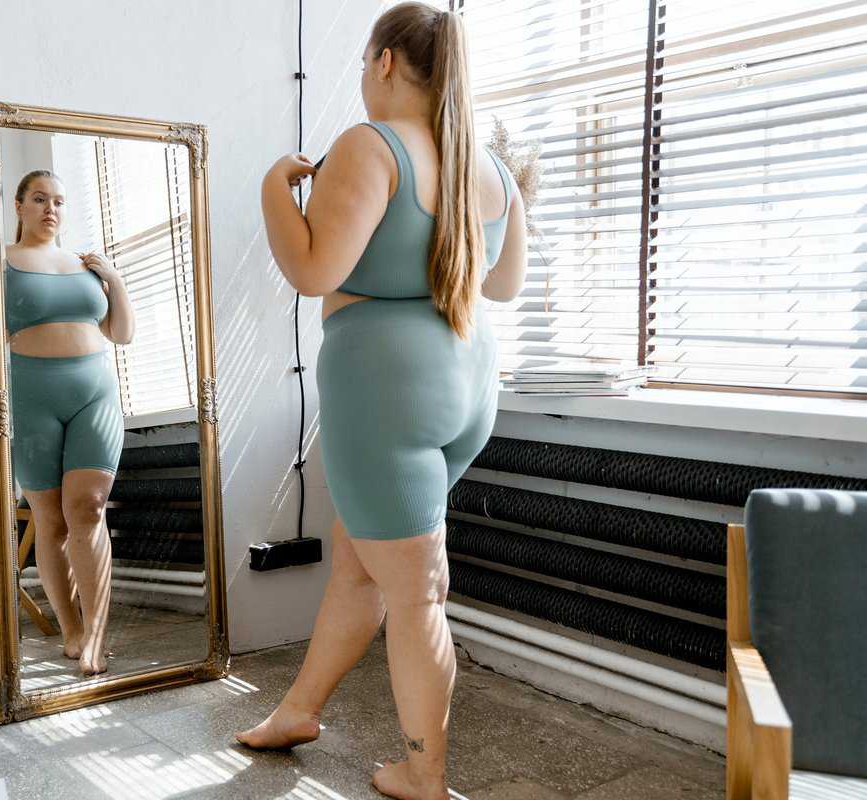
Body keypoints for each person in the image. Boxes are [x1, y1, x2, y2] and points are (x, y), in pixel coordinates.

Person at [237, 4, 527, 798]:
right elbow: (502, 284)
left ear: (388, 62)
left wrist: (274, 190)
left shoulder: (372, 146)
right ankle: (298, 710)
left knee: (415, 591)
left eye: (366, 63)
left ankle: (424, 778)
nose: (363, 78)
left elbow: (313, 270)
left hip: (384, 394)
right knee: (362, 566)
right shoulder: (490, 168)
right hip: (466, 387)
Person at [4, 169, 135, 676]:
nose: (50, 209)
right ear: (19, 206)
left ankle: (97, 634)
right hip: (32, 398)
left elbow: (121, 333)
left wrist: (115, 279)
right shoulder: (1, 263)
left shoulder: (86, 265)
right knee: (52, 523)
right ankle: (71, 630)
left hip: (95, 393)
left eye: (58, 200)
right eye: (39, 199)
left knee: (89, 507)